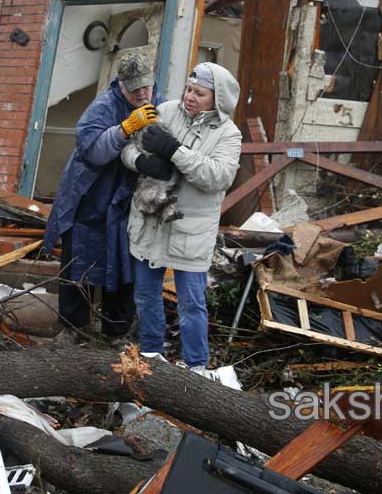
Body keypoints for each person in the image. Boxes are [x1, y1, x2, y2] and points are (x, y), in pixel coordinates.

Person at [122, 62, 242, 370]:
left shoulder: (229, 134)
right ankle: (151, 356)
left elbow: (218, 176)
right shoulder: (166, 111)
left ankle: (196, 366)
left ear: (216, 99)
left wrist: (175, 151)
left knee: (191, 304)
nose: (190, 97)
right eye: (189, 89)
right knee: (146, 295)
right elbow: (128, 150)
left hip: (191, 229)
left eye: (200, 93)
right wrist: (142, 163)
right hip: (152, 221)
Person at [43, 53, 165, 344]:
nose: (141, 93)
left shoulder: (160, 104)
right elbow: (93, 151)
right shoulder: (103, 106)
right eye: (134, 87)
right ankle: (74, 328)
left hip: (128, 201)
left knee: (123, 262)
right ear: (120, 84)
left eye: (145, 86)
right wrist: (124, 129)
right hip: (90, 197)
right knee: (79, 261)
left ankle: (116, 331)